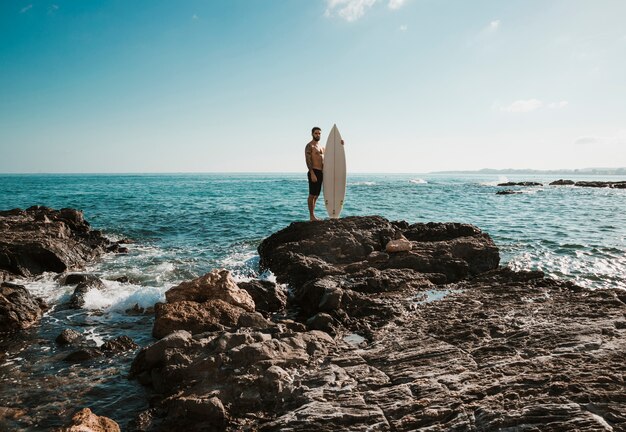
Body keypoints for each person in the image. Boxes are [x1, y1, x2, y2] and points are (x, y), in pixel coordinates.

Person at [304, 126, 344, 221]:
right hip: (314, 171)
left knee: (316, 195)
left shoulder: (322, 147)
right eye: (316, 133)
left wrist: (340, 144)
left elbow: (331, 153)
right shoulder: (310, 146)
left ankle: (313, 215)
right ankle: (311, 216)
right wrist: (312, 173)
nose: (318, 135)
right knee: (312, 194)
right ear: (312, 134)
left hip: (322, 173)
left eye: (319, 133)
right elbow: (308, 160)